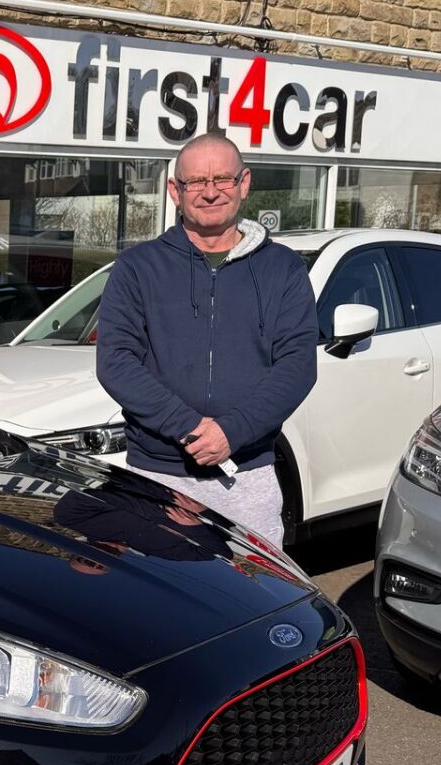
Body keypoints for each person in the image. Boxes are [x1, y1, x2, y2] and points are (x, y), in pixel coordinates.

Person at [94, 132, 317, 547]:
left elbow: (298, 365)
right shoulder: (137, 268)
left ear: (244, 183)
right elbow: (116, 361)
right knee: (156, 603)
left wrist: (231, 432)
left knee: (257, 599)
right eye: (195, 182)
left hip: (248, 477)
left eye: (222, 179)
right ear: (174, 191)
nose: (210, 192)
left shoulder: (283, 269)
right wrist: (190, 428)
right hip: (155, 476)